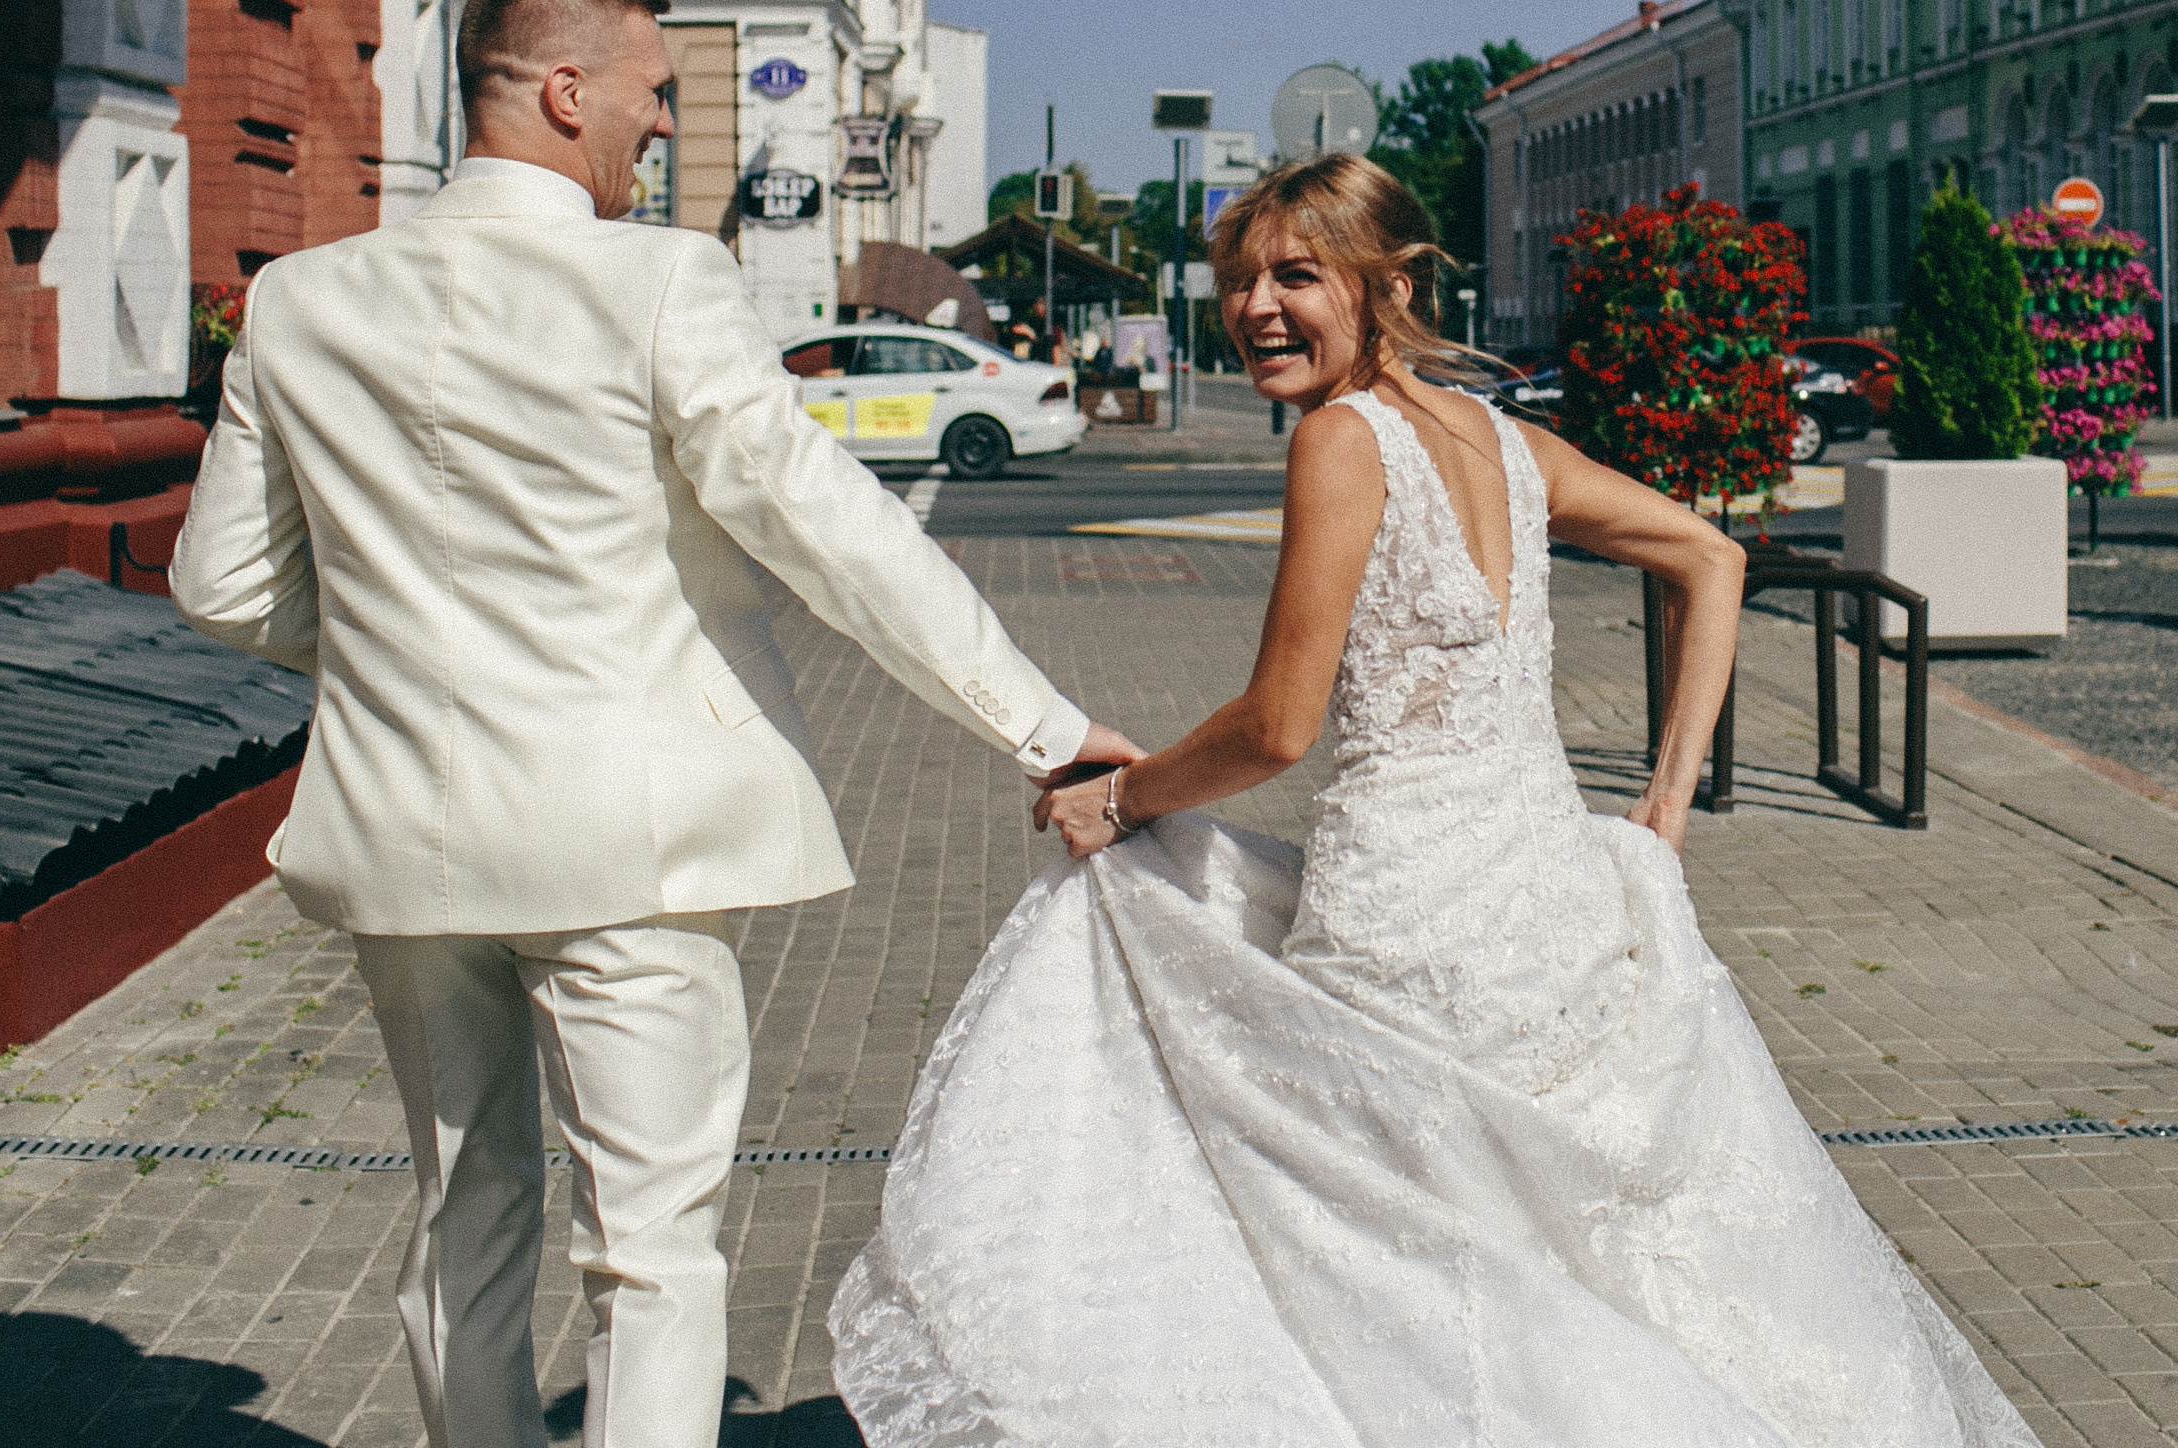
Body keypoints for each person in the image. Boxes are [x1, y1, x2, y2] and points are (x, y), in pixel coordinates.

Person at [831, 153, 2038, 1448]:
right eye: (1241, 279)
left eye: (1297, 275)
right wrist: (1663, 813)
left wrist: (1120, 801)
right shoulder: (1502, 440)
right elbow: (1713, 552)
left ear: (1392, 281)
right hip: (1556, 912)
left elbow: (1276, 727)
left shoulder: (1342, 441)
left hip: (1407, 928)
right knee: (1539, 1267)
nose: (1257, 309)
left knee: (1415, 1293)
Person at [169, 0, 1136, 1448]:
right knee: (651, 1250)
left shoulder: (300, 301)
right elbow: (826, 525)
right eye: (649, 95)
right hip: (631, 843)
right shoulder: (663, 280)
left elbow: (221, 587)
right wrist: (1045, 726)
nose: (662, 128)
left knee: (459, 1213)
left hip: (405, 830)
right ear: (564, 92)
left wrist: (403, 654)